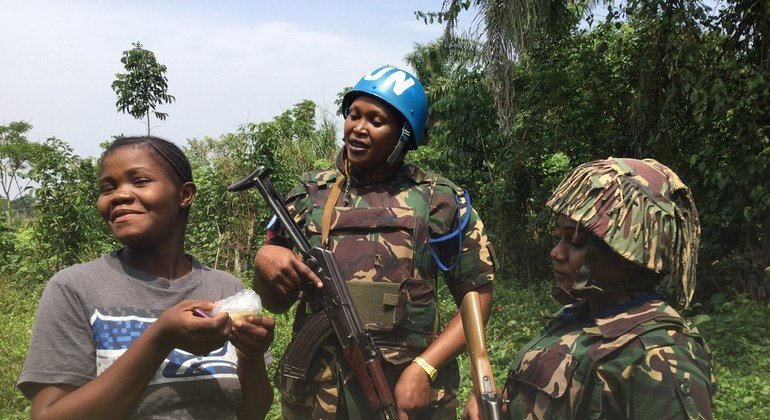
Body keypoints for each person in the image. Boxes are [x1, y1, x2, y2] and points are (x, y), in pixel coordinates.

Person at [253, 65, 496, 419]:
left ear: (403, 136)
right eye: (353, 115)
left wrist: (425, 367)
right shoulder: (308, 196)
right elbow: (277, 303)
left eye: (376, 120)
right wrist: (264, 262)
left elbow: (477, 296)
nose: (358, 128)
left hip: (402, 395)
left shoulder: (439, 200)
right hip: (320, 396)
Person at [17, 136, 275, 419]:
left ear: (185, 194)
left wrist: (250, 357)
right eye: (108, 188)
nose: (119, 195)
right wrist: (159, 338)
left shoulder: (225, 288)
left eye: (139, 181)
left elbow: (252, 412)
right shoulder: (75, 288)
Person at [471, 157, 715, 419]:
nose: (556, 253)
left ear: (631, 252)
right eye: (559, 238)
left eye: (576, 241)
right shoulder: (582, 318)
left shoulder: (660, 357)